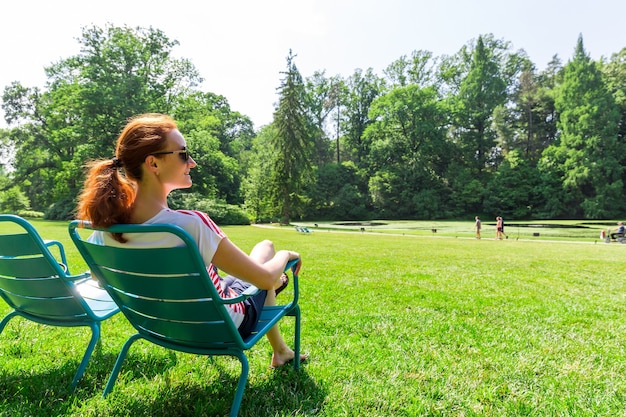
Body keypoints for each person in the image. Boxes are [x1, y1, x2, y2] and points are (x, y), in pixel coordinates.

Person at [76, 113, 306, 368]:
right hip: (223, 327)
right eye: (183, 154)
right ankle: (281, 352)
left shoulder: (107, 229)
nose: (192, 162)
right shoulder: (189, 226)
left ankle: (281, 351)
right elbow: (264, 279)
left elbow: (98, 279)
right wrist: (286, 255)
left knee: (263, 249)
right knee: (270, 257)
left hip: (161, 327)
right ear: (153, 164)